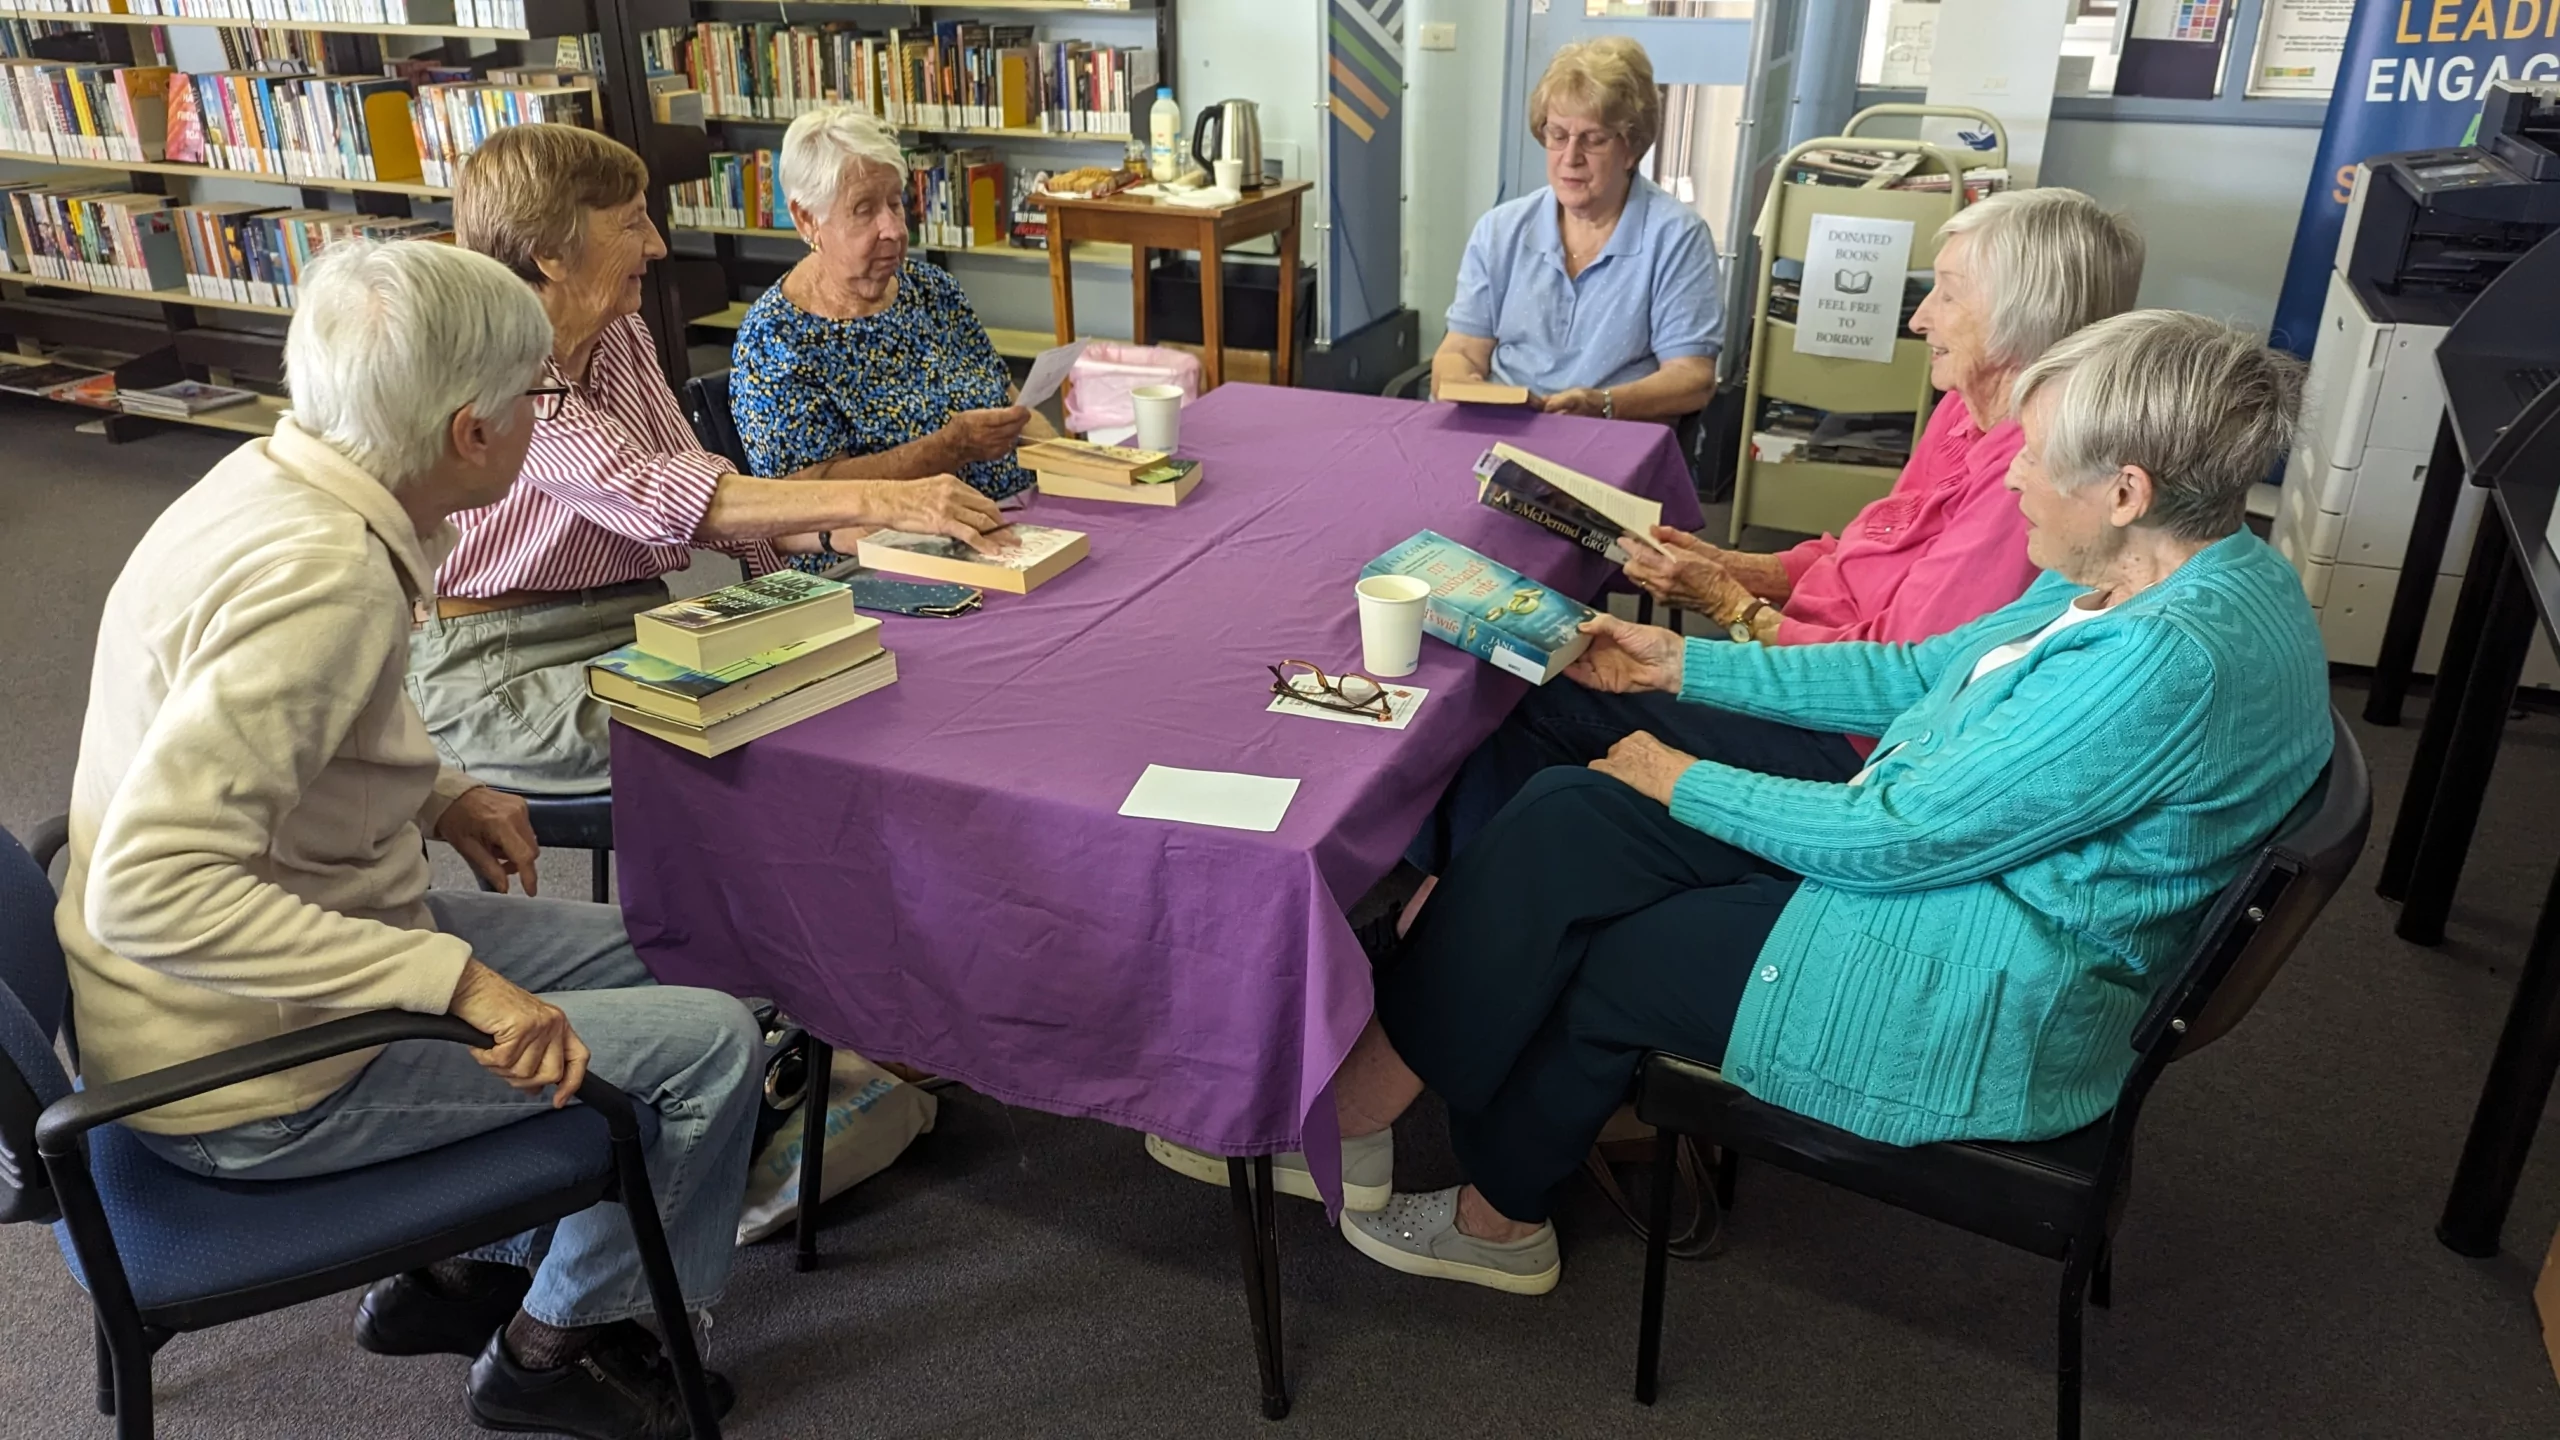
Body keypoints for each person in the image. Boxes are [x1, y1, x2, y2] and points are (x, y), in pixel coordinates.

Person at [1185, 310, 2332, 1291]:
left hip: (1979, 980)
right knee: (1569, 816)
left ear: (2126, 489)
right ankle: (1380, 1102)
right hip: (1950, 883)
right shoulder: (2165, 565)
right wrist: (1673, 668)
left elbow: (1897, 839)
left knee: (1604, 928)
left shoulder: (2158, 658)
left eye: (2034, 455)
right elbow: (1909, 678)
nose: (2012, 473)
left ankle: (1489, 1211)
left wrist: (1675, 772)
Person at [56, 239, 760, 1438]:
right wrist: (458, 983)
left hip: (267, 972)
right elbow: (149, 889)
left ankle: (452, 1270)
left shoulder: (284, 486)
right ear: (468, 435)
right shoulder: (321, 578)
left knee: (674, 947)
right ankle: (554, 1349)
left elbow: (289, 728)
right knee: (712, 1044)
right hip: (253, 1075)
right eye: (534, 400)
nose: (546, 420)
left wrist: (439, 791)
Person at [1407, 186, 2147, 877]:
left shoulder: (2028, 472)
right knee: (1544, 668)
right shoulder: (1965, 403)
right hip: (1801, 660)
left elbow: (1896, 681)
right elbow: (1863, 548)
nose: (1919, 318)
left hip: (1839, 728)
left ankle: (1465, 899)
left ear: (2020, 316)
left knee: (1530, 695)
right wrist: (1736, 567)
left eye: (1948, 296)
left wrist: (1730, 605)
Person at [411, 122, 1006, 794]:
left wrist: (829, 555)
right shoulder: (499, 359)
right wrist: (882, 498)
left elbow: (698, 484)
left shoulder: (621, 327)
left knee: (854, 672)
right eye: (633, 224)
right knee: (777, 728)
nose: (658, 245)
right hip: (503, 659)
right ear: (550, 251)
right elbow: (654, 493)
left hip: (643, 621)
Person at [730, 104, 1048, 573]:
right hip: (886, 563)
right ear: (806, 220)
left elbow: (1006, 399)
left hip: (1012, 524)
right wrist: (949, 447)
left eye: (896, 203)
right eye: (864, 210)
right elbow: (806, 496)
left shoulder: (933, 289)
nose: (894, 230)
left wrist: (1076, 462)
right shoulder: (775, 340)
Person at [1429, 36, 1722, 423]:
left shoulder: (1676, 238)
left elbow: (1692, 379)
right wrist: (1470, 389)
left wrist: (1601, 404)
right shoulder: (1501, 229)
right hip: (1503, 429)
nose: (1570, 158)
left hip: (1610, 434)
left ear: (1631, 148)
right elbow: (1461, 351)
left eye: (1593, 139)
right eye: (1558, 135)